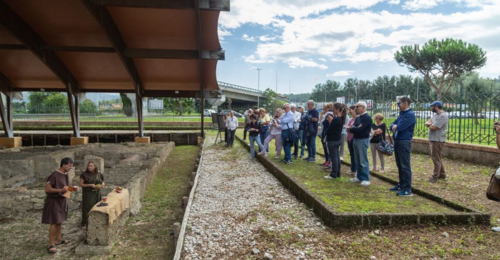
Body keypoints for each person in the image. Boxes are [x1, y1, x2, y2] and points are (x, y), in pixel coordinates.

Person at [41, 157, 74, 254]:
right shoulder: (54, 175)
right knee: (54, 222)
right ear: (63, 165)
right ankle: (51, 243)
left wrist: (71, 189)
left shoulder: (65, 175)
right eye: (69, 165)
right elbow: (47, 189)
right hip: (54, 201)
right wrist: (60, 190)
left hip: (62, 201)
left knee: (60, 221)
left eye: (72, 165)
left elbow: (65, 188)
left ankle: (59, 240)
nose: (71, 167)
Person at [389, 97, 416, 196]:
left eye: (399, 103)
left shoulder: (409, 115)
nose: (397, 105)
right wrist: (394, 126)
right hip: (398, 141)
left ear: (406, 103)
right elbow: (392, 124)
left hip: (404, 142)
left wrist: (396, 126)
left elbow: (400, 127)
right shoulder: (402, 114)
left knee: (405, 166)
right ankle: (401, 184)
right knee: (400, 165)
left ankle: (407, 189)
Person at [347, 102, 372, 186]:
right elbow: (353, 127)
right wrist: (354, 128)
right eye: (356, 106)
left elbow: (359, 129)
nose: (356, 108)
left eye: (358, 106)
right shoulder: (358, 118)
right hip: (356, 139)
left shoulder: (367, 118)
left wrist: (354, 128)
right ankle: (359, 176)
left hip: (362, 139)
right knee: (357, 159)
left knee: (363, 160)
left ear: (363, 107)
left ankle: (365, 178)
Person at [425, 101, 449, 182]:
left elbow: (433, 127)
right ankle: (442, 174)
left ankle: (435, 177)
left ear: (436, 107)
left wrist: (430, 125)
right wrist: (430, 124)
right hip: (434, 139)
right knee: (438, 157)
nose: (431, 108)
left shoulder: (443, 116)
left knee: (436, 158)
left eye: (432, 106)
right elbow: (428, 122)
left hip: (438, 140)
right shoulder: (436, 115)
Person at [324, 103, 347, 179]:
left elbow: (330, 129)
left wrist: (324, 134)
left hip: (332, 140)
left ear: (337, 109)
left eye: (334, 108)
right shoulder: (341, 118)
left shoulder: (336, 119)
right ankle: (337, 173)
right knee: (336, 157)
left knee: (334, 158)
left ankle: (333, 173)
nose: (332, 110)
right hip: (337, 139)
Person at [79, 161, 105, 230]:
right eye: (88, 166)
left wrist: (102, 184)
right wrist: (89, 185)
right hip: (88, 194)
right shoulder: (84, 174)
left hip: (97, 193)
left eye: (91, 166)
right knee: (87, 208)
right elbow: (81, 184)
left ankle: (95, 221)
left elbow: (102, 180)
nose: (89, 167)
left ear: (95, 166)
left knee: (97, 206)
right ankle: (84, 223)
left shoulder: (98, 173)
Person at [319, 103, 334, 168]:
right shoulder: (325, 115)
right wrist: (321, 115)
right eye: (323, 108)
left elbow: (331, 125)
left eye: (325, 108)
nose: (324, 109)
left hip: (326, 133)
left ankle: (329, 162)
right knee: (325, 148)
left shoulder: (329, 115)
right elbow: (320, 123)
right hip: (323, 132)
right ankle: (327, 160)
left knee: (327, 148)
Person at [345, 105, 357, 175]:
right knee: (352, 155)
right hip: (349, 138)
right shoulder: (350, 119)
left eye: (350, 110)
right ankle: (353, 169)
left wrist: (350, 128)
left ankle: (356, 169)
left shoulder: (357, 119)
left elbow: (352, 128)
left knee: (356, 155)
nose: (349, 111)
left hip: (354, 138)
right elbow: (347, 128)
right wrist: (349, 128)